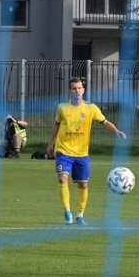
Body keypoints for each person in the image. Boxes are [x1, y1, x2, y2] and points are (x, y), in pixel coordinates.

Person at [45, 77, 126, 225]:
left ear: (84, 90)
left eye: (79, 88)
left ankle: (80, 215)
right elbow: (56, 126)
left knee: (83, 185)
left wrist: (116, 131)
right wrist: (50, 143)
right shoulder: (62, 107)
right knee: (62, 178)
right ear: (70, 90)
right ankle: (67, 212)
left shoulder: (91, 108)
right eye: (74, 88)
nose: (77, 91)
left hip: (82, 153)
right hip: (63, 150)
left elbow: (105, 122)